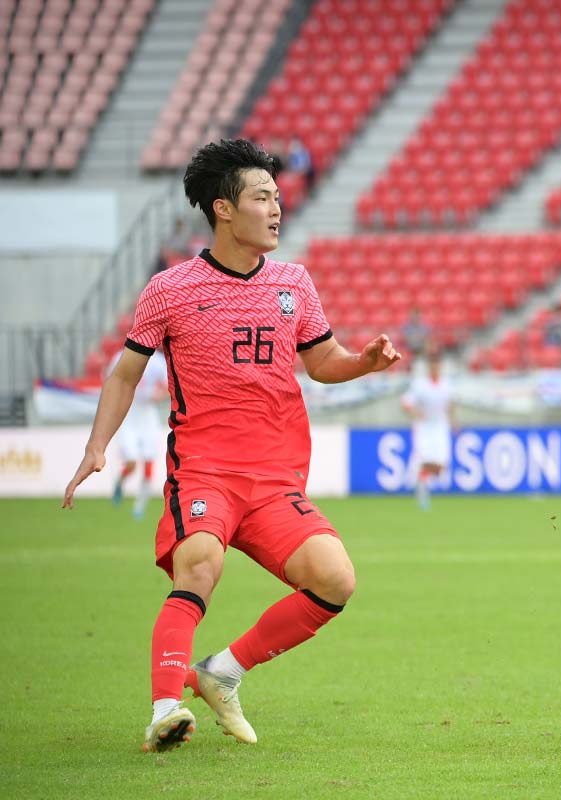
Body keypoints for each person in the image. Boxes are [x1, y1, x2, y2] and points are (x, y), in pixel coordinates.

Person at [61, 139, 400, 753]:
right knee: (200, 565)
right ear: (223, 208)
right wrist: (97, 445)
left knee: (335, 580)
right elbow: (125, 374)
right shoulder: (171, 289)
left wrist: (363, 363)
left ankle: (222, 672)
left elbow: (323, 362)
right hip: (205, 472)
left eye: (277, 197)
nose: (276, 209)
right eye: (262, 197)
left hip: (274, 480)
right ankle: (165, 707)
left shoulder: (293, 282)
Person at [108, 348, 169, 519]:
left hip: (148, 415)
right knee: (131, 463)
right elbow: (111, 382)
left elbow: (168, 386)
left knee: (149, 463)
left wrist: (159, 395)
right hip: (128, 414)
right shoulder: (120, 357)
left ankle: (139, 508)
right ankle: (120, 482)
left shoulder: (157, 361)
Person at [402, 350, 453, 511]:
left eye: (438, 365)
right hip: (424, 427)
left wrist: (454, 422)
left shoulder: (446, 385)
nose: (435, 368)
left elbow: (450, 405)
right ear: (429, 367)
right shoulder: (420, 385)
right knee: (423, 459)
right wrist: (416, 413)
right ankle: (422, 490)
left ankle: (419, 477)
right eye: (433, 365)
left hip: (440, 426)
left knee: (441, 465)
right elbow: (406, 402)